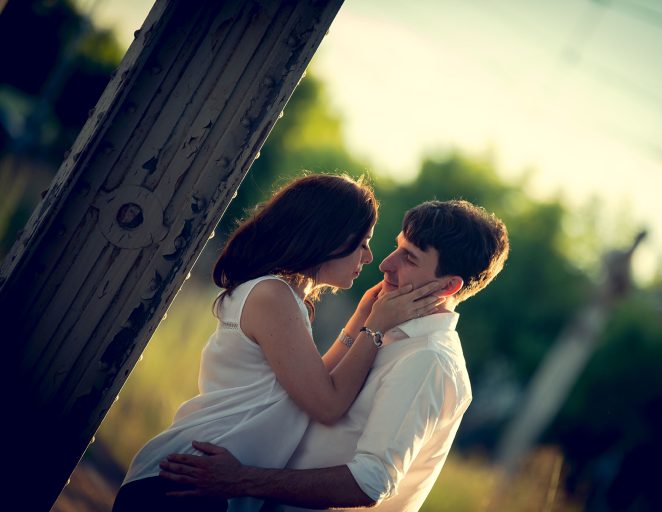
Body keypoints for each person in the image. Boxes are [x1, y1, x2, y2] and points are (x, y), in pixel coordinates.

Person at [112, 174, 445, 512]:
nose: (370, 257)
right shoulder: (272, 295)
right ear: (328, 237)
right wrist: (376, 327)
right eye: (362, 242)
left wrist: (362, 315)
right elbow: (326, 404)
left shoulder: (281, 296)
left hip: (203, 484)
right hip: (184, 483)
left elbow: (311, 386)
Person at [158, 199, 510, 511]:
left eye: (410, 258)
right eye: (396, 247)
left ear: (447, 287)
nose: (386, 264)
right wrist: (362, 321)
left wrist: (241, 480)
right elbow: (313, 394)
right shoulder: (387, 333)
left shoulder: (427, 360)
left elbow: (370, 482)